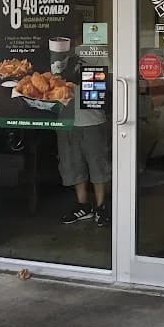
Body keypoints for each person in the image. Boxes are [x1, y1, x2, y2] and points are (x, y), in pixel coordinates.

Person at [57, 37, 111, 227]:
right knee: (72, 164)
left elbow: (106, 80)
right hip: (66, 120)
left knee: (98, 165)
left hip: (92, 119)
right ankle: (83, 206)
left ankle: (101, 206)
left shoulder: (94, 51)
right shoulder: (57, 54)